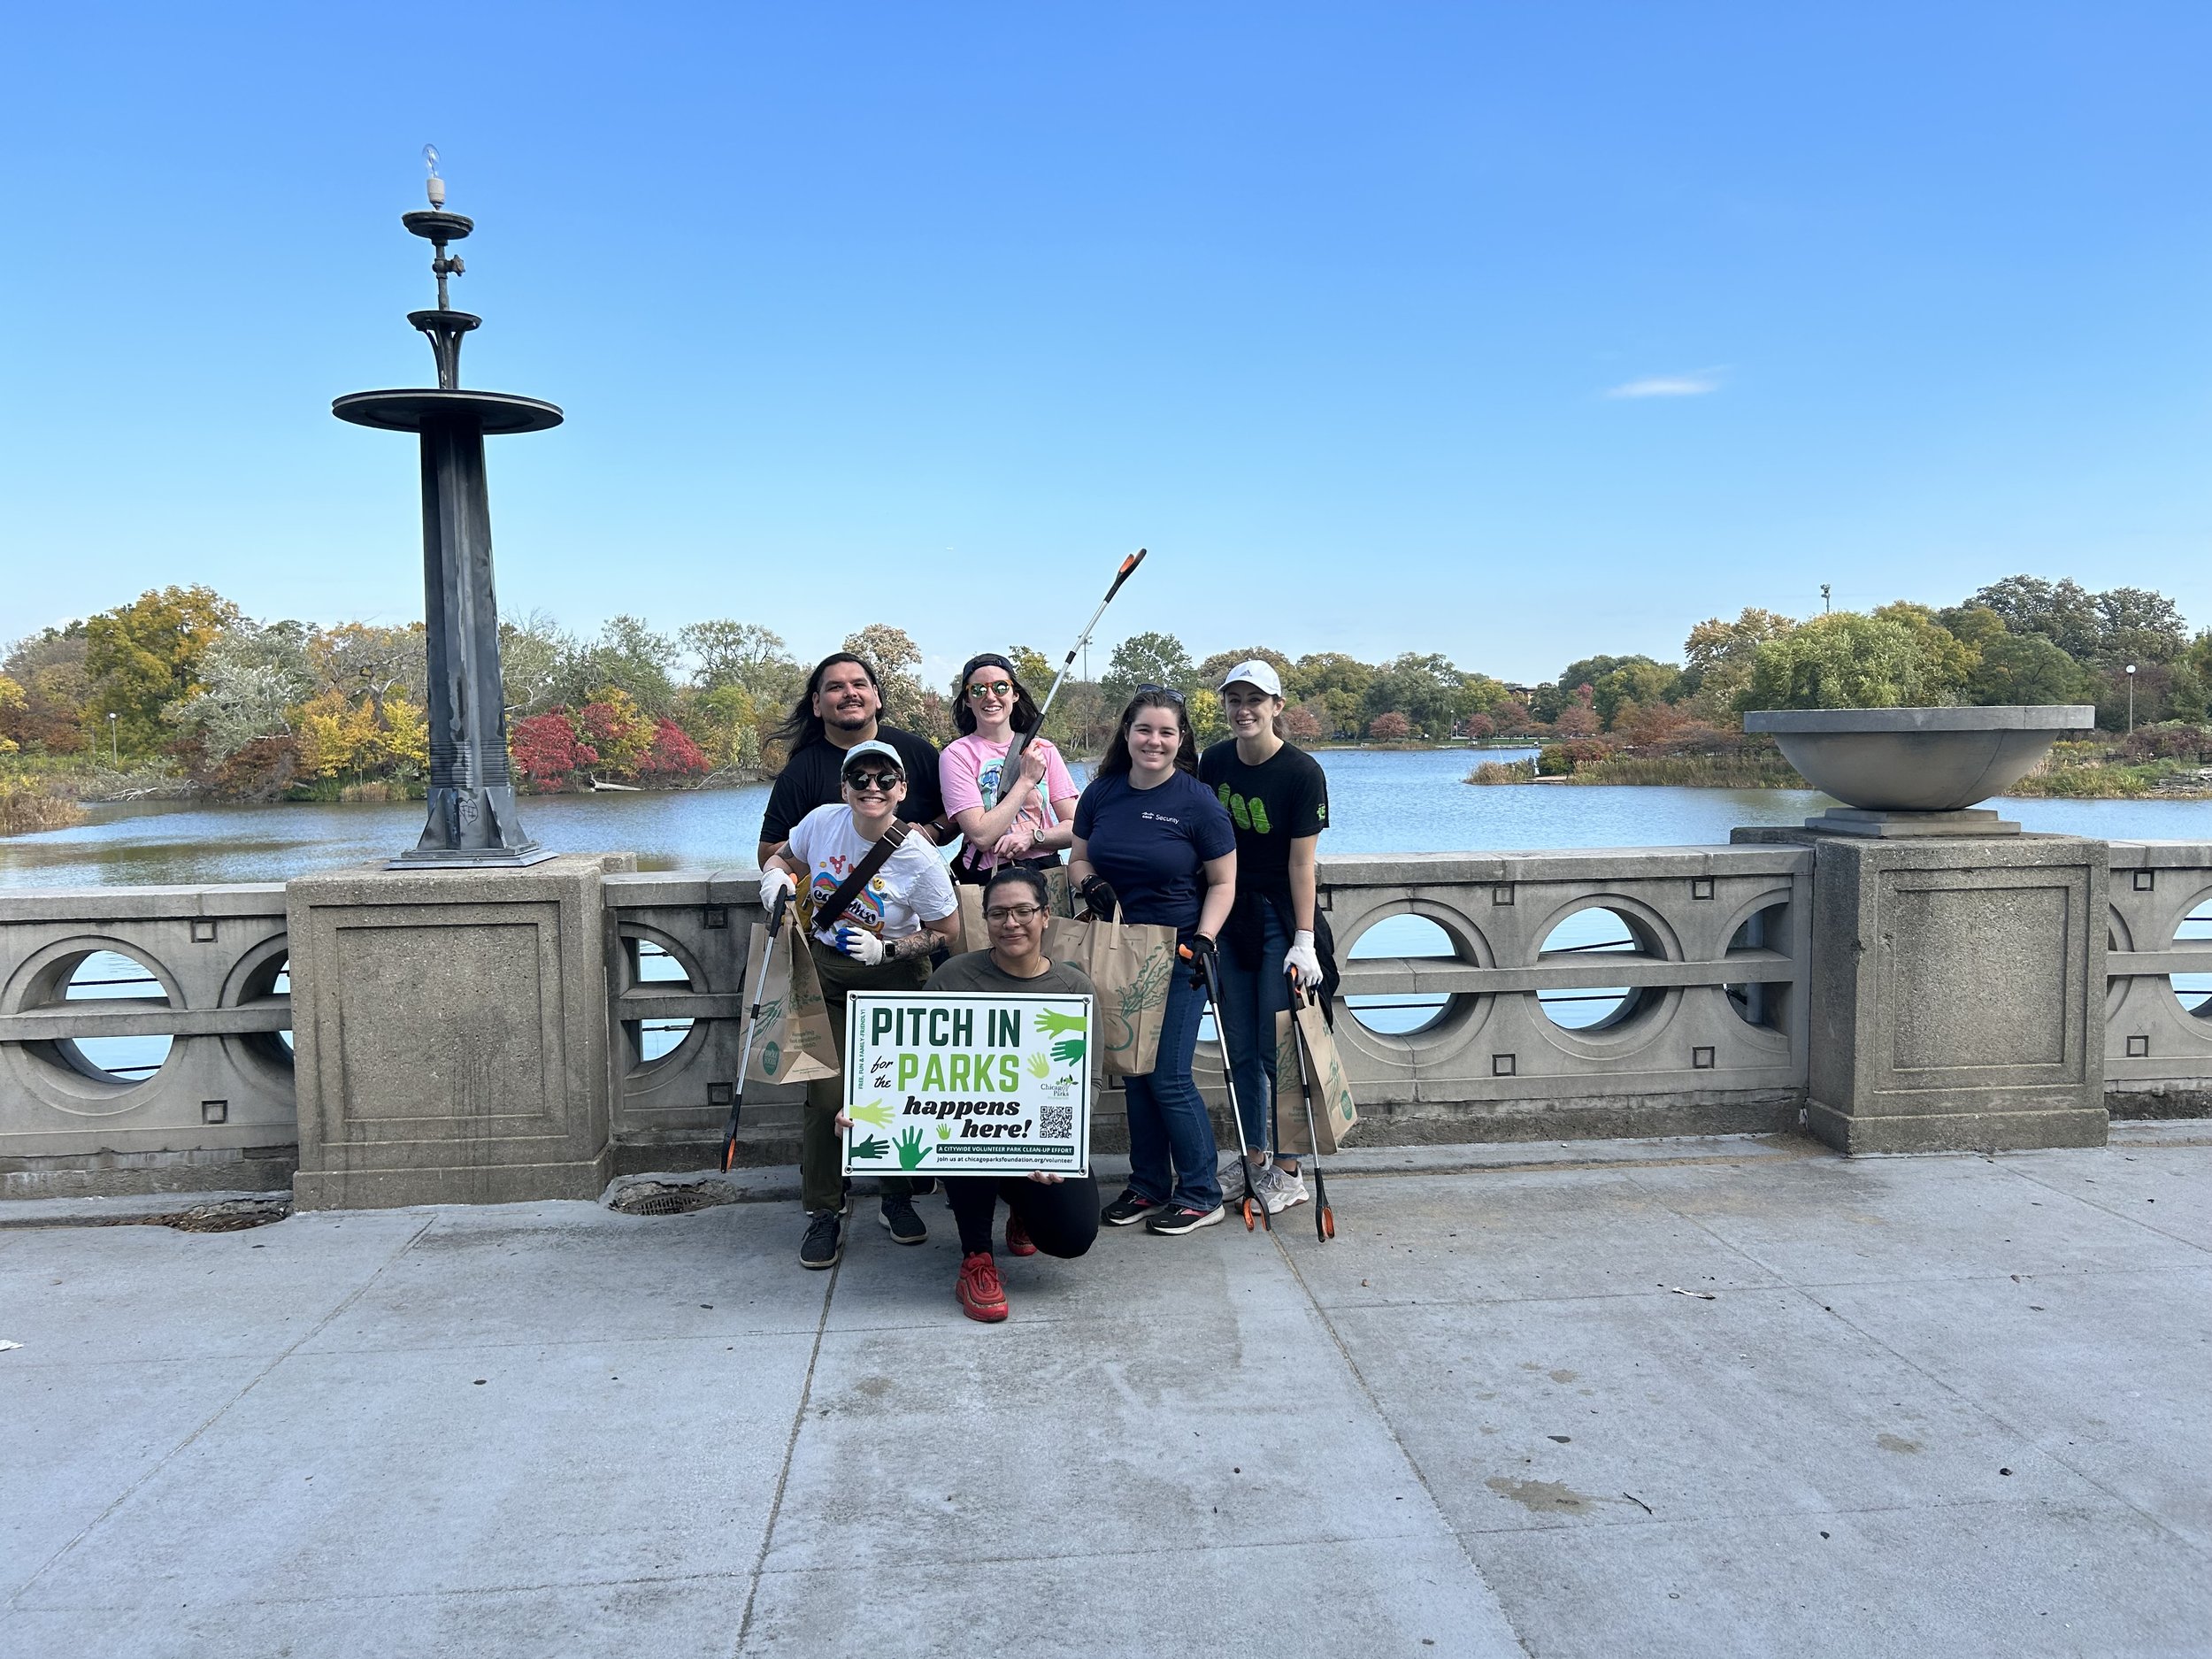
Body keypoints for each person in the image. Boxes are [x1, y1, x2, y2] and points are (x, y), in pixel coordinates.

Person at [759, 740, 961, 1269]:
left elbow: (949, 932)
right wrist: (776, 877)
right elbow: (785, 855)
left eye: (885, 778)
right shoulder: (822, 822)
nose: (873, 787)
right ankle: (825, 1209)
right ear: (844, 786)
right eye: (861, 778)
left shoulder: (919, 857)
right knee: (827, 1098)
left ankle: (896, 1197)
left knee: (888, 1093)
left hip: (894, 981)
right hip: (825, 975)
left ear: (902, 789)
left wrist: (887, 947)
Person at [1069, 687, 1238, 1235]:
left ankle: (1200, 1191)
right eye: (1145, 730)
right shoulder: (1103, 792)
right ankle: (1147, 1186)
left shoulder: (1198, 802)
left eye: (1167, 732)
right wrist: (1090, 884)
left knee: (1167, 1076)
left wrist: (1207, 939)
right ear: (1127, 733)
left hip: (1182, 953)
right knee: (1135, 1075)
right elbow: (1078, 857)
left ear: (1181, 739)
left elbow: (1224, 881)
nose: (1154, 741)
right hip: (1118, 952)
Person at [919, 864, 1100, 1322]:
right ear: (985, 920)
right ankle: (976, 1259)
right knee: (969, 1134)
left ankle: (1023, 1203)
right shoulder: (953, 978)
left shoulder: (1073, 987)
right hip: (967, 1126)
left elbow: (1088, 1082)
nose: (1011, 923)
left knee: (1071, 1236)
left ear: (1045, 916)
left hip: (1039, 1128)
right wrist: (866, 1108)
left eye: (1023, 911)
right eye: (998, 914)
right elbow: (912, 1065)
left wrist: (1054, 1146)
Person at [1196, 660, 1332, 1214]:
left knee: (1284, 1043)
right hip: (1230, 914)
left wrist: (1304, 939)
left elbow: (1304, 864)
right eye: (1234, 699)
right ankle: (1253, 1156)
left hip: (1281, 913)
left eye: (1256, 699)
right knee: (1242, 1042)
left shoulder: (1301, 773)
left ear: (1277, 707)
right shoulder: (1215, 761)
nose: (1244, 709)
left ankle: (1291, 1168)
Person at [757, 653, 947, 867]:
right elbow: (767, 853)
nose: (850, 693)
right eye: (836, 687)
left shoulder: (919, 752)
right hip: (841, 895)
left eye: (858, 684)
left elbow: (956, 814)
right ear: (817, 703)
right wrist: (831, 853)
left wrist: (930, 832)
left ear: (876, 696)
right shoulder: (800, 772)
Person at [940, 653, 1081, 884]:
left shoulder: (1043, 750)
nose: (990, 696)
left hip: (1045, 874)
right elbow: (981, 835)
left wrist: (1033, 837)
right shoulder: (956, 755)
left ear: (1014, 694)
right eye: (978, 690)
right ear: (967, 699)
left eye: (1000, 687)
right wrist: (1026, 781)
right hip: (989, 878)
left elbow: (1077, 828)